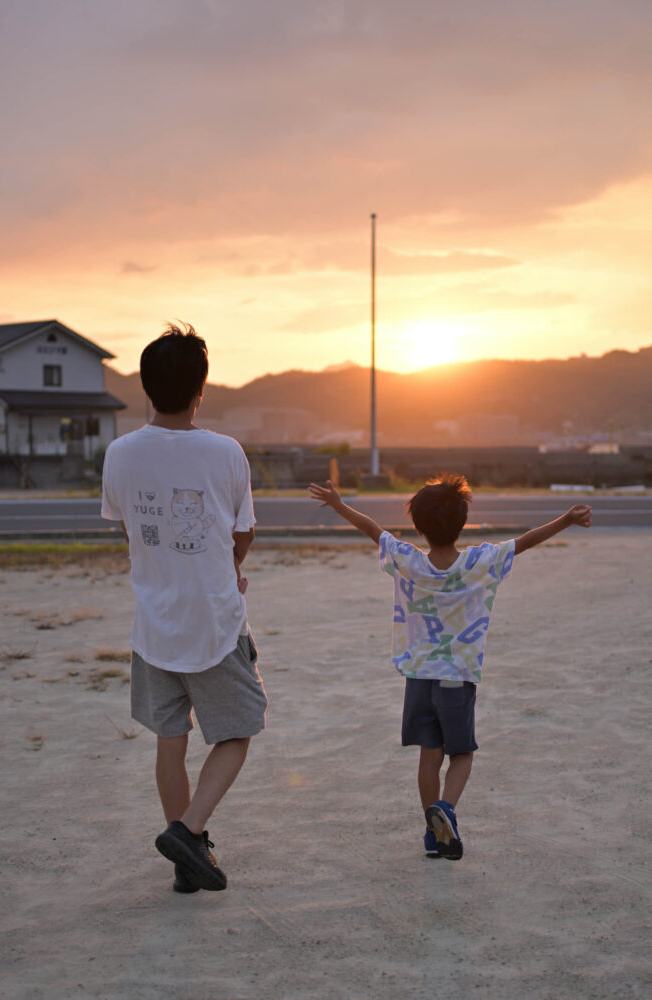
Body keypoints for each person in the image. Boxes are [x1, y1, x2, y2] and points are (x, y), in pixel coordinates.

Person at [308, 475, 591, 861]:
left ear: (419, 527)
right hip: (457, 678)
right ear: (461, 523)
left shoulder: (408, 560)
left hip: (419, 678)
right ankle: (448, 810)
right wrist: (566, 519)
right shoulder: (479, 561)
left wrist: (339, 504)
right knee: (462, 755)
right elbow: (524, 542)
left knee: (430, 756)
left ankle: (432, 834)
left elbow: (372, 528)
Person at [101, 322, 267, 894]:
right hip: (215, 622)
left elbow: (129, 532)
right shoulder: (225, 452)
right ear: (202, 388)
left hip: (154, 623)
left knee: (169, 742)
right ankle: (190, 834)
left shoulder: (119, 454)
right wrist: (229, 565)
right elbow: (240, 536)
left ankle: (184, 867)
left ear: (146, 388)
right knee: (239, 729)